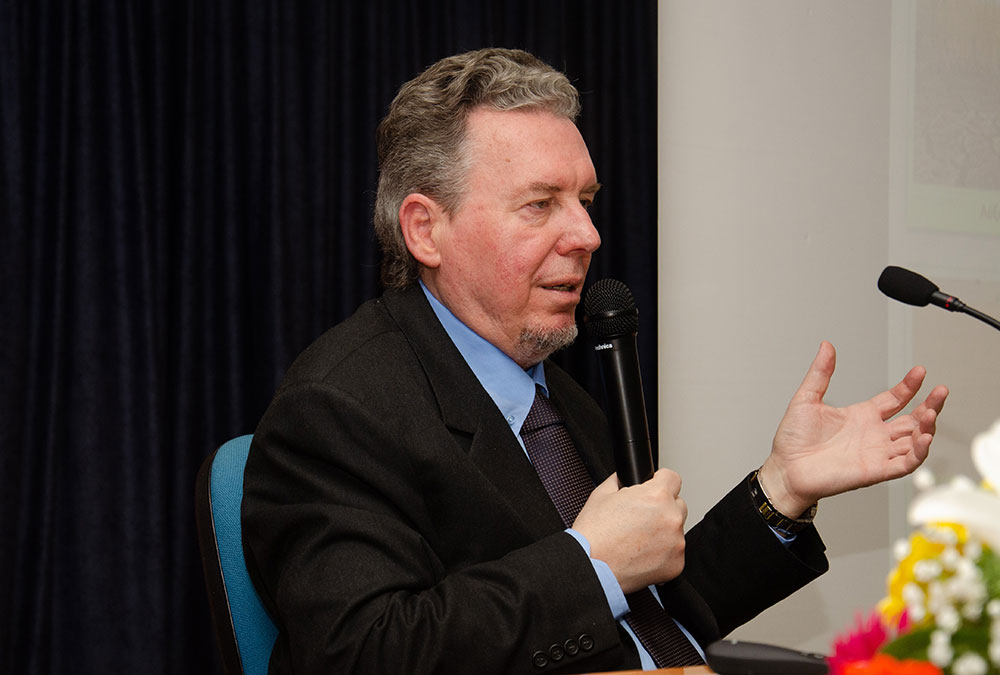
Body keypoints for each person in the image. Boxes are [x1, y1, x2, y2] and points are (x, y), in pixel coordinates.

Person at [241, 48, 949, 674]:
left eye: (584, 200)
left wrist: (783, 488)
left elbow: (657, 616)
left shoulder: (563, 402)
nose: (586, 234)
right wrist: (591, 562)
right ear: (426, 229)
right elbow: (364, 652)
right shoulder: (339, 408)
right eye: (540, 204)